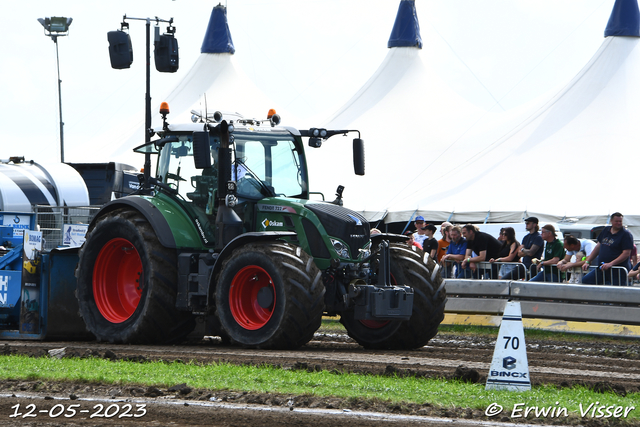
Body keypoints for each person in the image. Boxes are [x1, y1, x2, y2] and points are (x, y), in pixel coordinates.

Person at [582, 212, 634, 286]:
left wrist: (611, 264)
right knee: (586, 280)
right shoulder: (606, 230)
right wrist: (588, 261)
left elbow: (626, 253)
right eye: (616, 221)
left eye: (620, 221)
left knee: (616, 291)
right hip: (602, 268)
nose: (619, 223)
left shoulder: (626, 234)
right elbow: (598, 247)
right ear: (611, 221)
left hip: (617, 270)